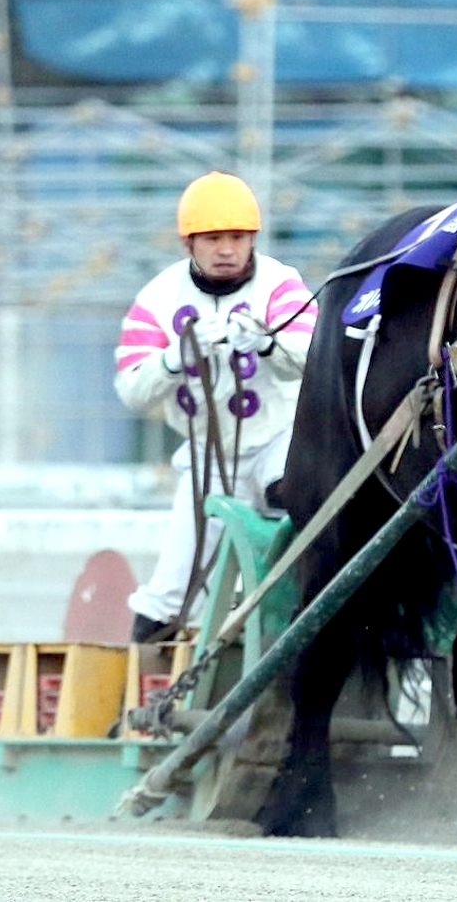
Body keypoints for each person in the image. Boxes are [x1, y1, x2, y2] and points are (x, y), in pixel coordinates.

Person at [114, 171, 317, 643]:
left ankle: (292, 612)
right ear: (190, 244)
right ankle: (144, 689)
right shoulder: (157, 299)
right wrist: (172, 360)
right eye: (213, 238)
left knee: (290, 498)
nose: (226, 249)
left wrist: (267, 344)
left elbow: (313, 357)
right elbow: (132, 389)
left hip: (279, 440)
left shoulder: (281, 284)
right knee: (167, 598)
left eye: (237, 237)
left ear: (252, 240)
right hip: (206, 457)